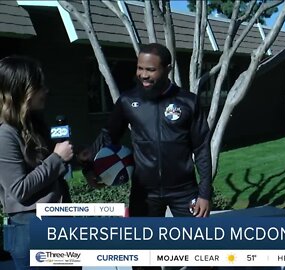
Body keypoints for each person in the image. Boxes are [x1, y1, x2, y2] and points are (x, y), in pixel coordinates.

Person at [78, 43, 213, 219]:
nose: (143, 75)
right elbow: (108, 136)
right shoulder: (128, 101)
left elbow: (202, 148)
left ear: (168, 69)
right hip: (144, 193)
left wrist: (204, 194)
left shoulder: (188, 102)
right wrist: (89, 169)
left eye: (150, 69)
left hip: (184, 191)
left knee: (195, 243)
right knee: (144, 245)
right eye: (140, 68)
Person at [0, 56, 74, 269]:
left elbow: (48, 169)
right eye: (39, 86)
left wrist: (75, 158)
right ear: (21, 90)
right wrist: (57, 158)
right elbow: (19, 189)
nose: (46, 91)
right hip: (29, 227)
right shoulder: (5, 134)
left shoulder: (33, 124)